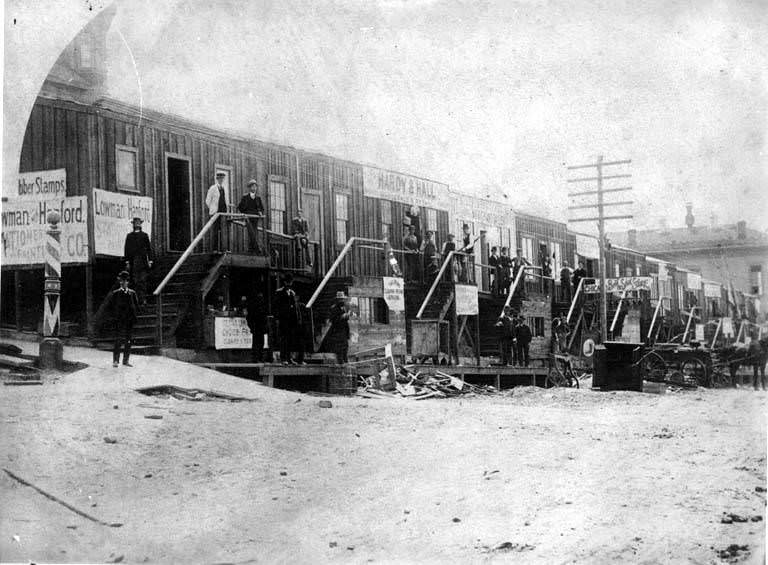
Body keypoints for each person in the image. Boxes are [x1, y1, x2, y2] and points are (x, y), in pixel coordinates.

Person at [105, 271, 139, 368]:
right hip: (119, 320)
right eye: (121, 281)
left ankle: (126, 360)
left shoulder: (132, 293)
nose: (123, 283)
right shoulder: (116, 294)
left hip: (129, 320)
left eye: (125, 281)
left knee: (128, 340)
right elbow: (110, 307)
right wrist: (114, 318)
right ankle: (116, 360)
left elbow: (136, 306)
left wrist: (134, 317)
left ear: (128, 282)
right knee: (118, 340)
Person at [123, 217, 153, 305]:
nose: (137, 224)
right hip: (133, 262)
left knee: (142, 281)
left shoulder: (144, 235)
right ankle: (136, 300)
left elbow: (149, 249)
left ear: (140, 224)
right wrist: (127, 262)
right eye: (135, 223)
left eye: (138, 222)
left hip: (143, 262)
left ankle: (143, 299)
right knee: (135, 281)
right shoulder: (129, 236)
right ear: (133, 224)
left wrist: (150, 261)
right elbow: (127, 249)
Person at [274, 273, 301, 364]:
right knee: (284, 339)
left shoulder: (292, 293)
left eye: (290, 282)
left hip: (291, 320)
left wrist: (296, 319)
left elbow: (295, 307)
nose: (289, 284)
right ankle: (283, 358)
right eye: (287, 282)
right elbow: (276, 306)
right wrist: (278, 318)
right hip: (283, 319)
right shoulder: (279, 292)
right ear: (285, 282)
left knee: (290, 339)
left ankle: (289, 358)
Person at [237, 179, 265, 253]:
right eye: (252, 186)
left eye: (255, 186)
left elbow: (262, 208)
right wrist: (244, 213)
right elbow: (239, 207)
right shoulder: (245, 197)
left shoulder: (258, 198)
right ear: (249, 188)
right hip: (248, 217)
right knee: (251, 231)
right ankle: (256, 248)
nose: (254, 188)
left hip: (255, 217)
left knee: (254, 232)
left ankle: (252, 249)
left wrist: (260, 212)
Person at [205, 172, 230, 252]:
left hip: (223, 212)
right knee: (215, 231)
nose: (221, 180)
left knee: (223, 231)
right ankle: (215, 249)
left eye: (222, 179)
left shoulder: (225, 188)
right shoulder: (213, 188)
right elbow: (207, 201)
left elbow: (226, 200)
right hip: (215, 213)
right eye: (220, 178)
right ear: (217, 179)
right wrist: (212, 209)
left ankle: (223, 249)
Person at [328, 291, 351, 364]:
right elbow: (333, 320)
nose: (342, 300)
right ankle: (341, 364)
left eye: (342, 299)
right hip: (337, 331)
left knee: (345, 347)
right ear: (337, 300)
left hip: (344, 331)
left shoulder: (344, 307)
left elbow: (346, 319)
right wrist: (342, 317)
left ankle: (345, 362)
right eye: (340, 299)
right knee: (339, 349)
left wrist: (347, 316)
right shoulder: (333, 308)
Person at [246, 291, 268, 362]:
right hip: (257, 326)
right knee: (258, 343)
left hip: (259, 326)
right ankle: (257, 358)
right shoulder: (255, 306)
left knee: (259, 343)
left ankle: (259, 358)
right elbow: (249, 317)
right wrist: (251, 326)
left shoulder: (258, 306)